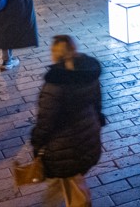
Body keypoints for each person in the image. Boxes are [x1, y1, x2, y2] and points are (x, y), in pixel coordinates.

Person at [32, 35, 105, 207]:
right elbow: (97, 104)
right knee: (69, 181)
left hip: (63, 148)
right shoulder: (89, 73)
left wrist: (36, 143)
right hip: (88, 138)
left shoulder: (54, 86)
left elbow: (45, 121)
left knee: (71, 186)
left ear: (54, 55)